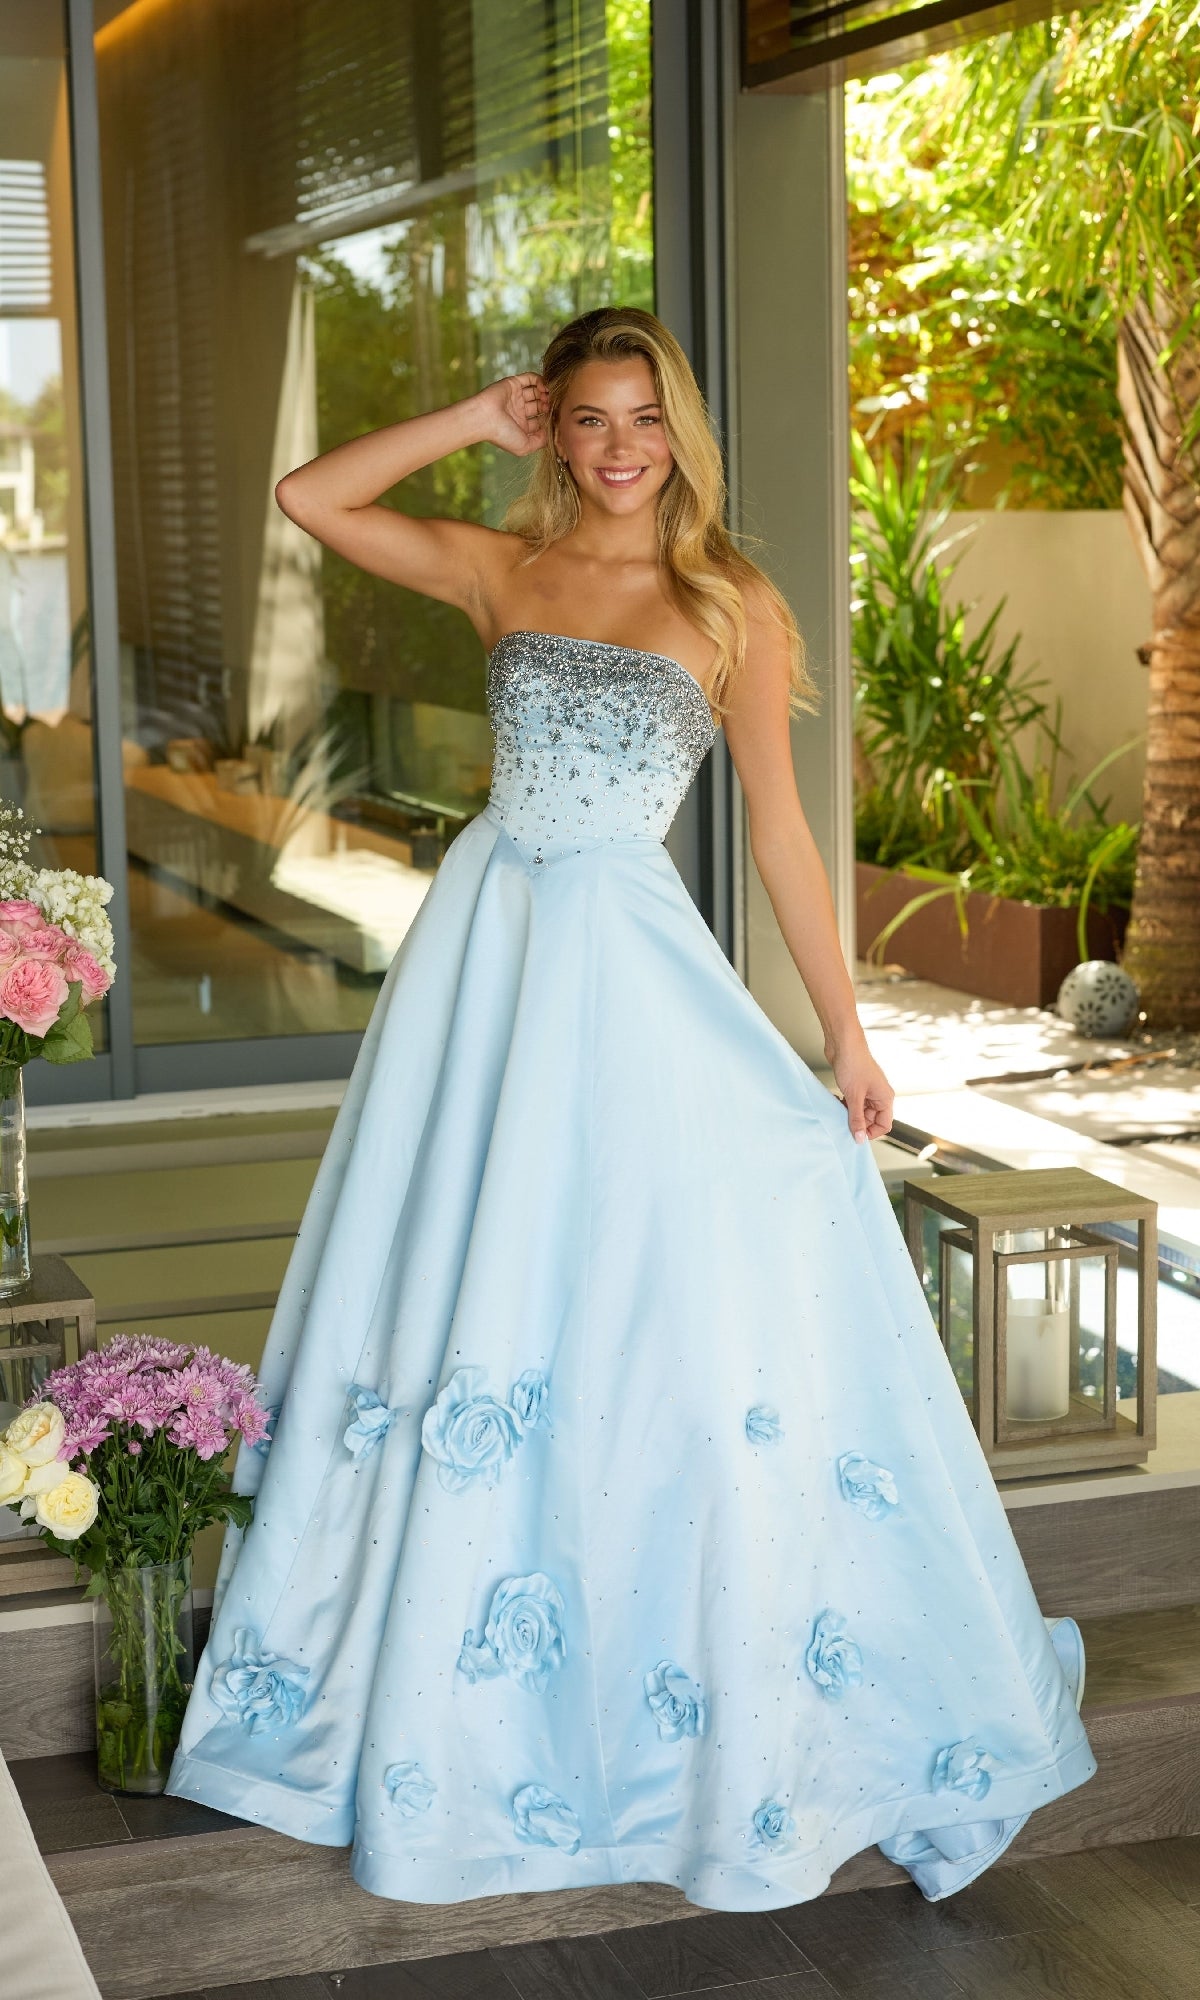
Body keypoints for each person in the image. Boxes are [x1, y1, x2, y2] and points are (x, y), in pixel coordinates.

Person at [166, 307, 1094, 1910]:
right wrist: (472, 415)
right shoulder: (501, 569)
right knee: (475, 1259)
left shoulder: (727, 602)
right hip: (492, 956)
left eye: (642, 420)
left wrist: (848, 1036)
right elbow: (314, 500)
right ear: (558, 423)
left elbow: (786, 844)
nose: (614, 448)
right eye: (588, 418)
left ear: (683, 432)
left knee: (644, 1286)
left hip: (630, 965)